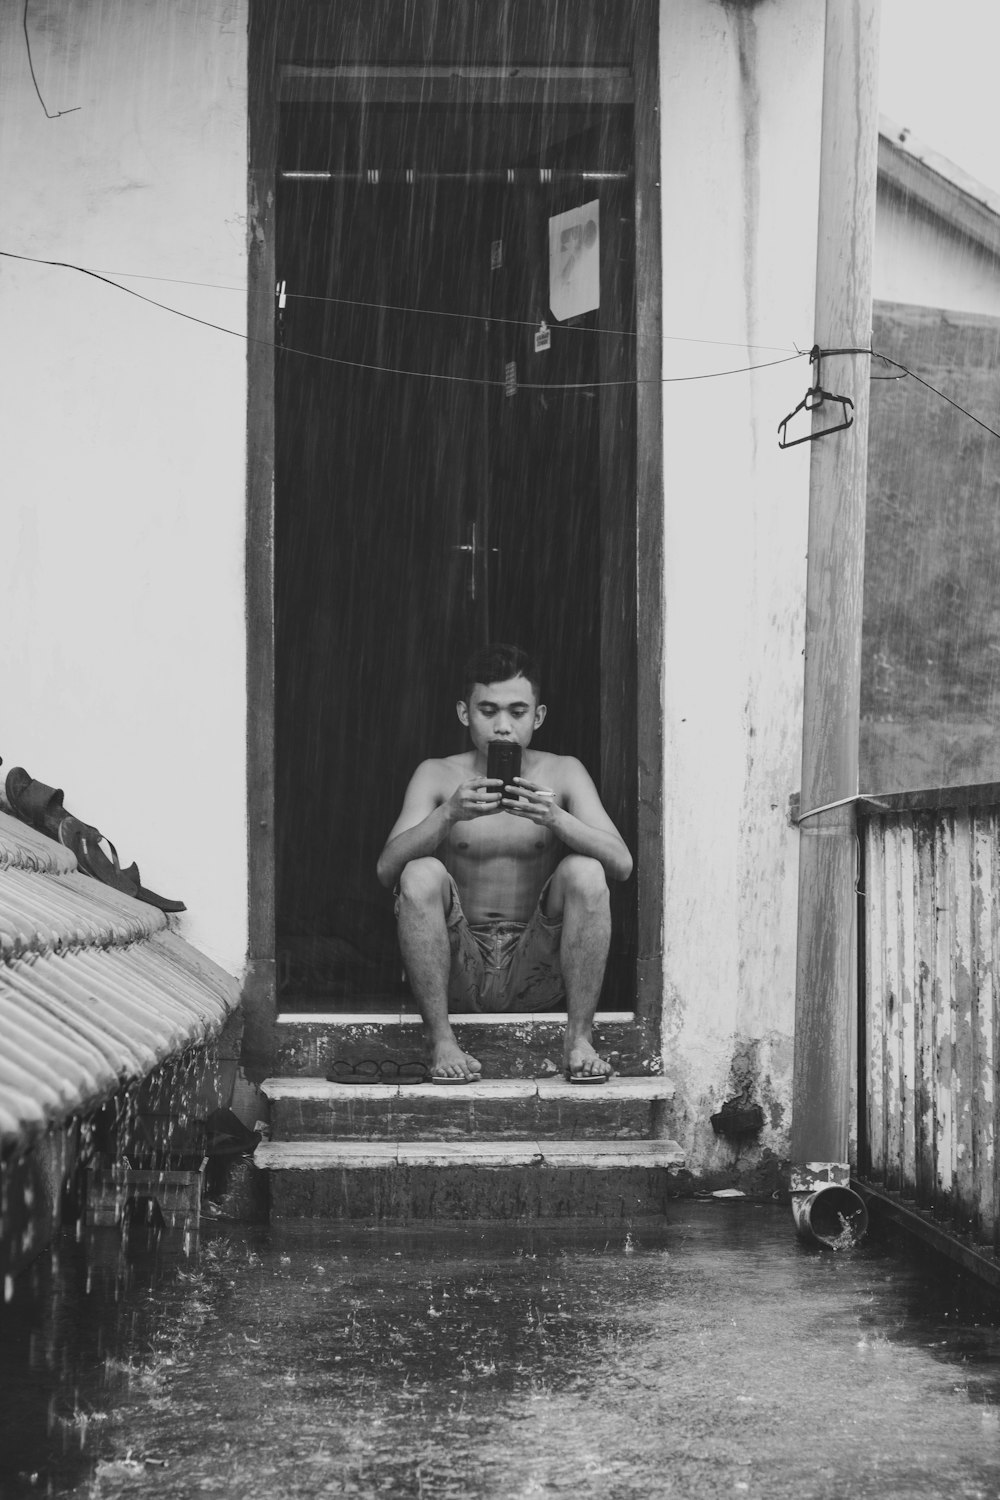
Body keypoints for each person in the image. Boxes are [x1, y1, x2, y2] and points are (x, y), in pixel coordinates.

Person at [376, 644, 633, 1083]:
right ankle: (441, 1041)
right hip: (457, 965)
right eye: (488, 710)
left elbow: (621, 864)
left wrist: (555, 819)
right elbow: (386, 871)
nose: (502, 727)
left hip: (538, 966)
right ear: (464, 713)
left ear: (538, 716)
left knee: (586, 869)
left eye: (517, 712)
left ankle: (579, 1039)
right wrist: (448, 815)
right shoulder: (437, 774)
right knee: (419, 872)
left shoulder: (564, 772)